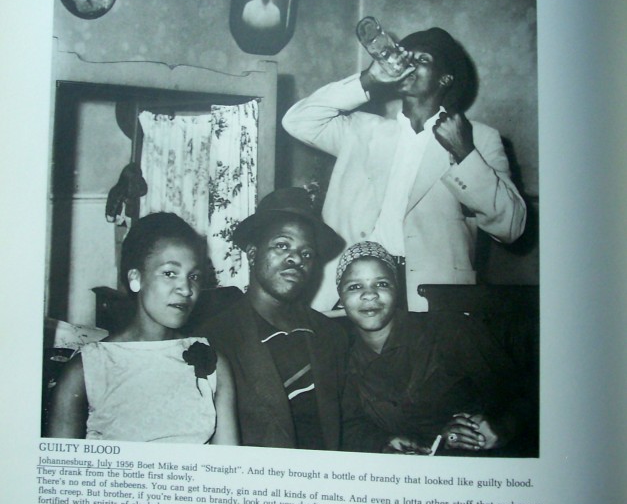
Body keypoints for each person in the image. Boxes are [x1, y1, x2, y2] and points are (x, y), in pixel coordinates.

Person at [282, 26, 527, 312]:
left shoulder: (478, 139)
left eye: (422, 59)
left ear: (445, 79)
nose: (409, 64)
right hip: (348, 288)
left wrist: (465, 153)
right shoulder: (363, 130)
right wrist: (369, 78)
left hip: (431, 301)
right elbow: (297, 121)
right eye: (406, 58)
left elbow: (511, 227)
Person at [47, 212, 239, 445]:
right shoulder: (85, 370)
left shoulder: (213, 363)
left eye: (194, 276)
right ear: (135, 279)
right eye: (170, 273)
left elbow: (227, 462)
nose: (186, 289)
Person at [337, 241, 530, 455]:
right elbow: (351, 424)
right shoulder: (339, 356)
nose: (370, 295)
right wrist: (383, 443)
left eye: (381, 284)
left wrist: (502, 425)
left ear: (397, 290)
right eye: (355, 287)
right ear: (340, 298)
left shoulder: (450, 330)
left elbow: (523, 393)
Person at [192, 187, 348, 450]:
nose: (296, 258)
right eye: (282, 245)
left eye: (307, 253)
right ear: (253, 254)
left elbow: (350, 422)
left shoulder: (332, 335)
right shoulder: (214, 339)